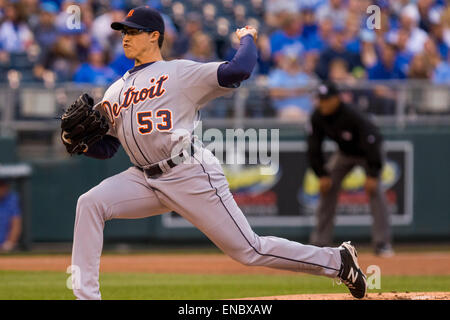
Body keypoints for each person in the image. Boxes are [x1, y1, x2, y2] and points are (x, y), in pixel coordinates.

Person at [69, 6, 367, 300]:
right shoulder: (114, 91)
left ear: (154, 36)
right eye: (122, 31)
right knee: (90, 203)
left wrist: (247, 37)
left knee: (249, 250)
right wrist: (78, 142)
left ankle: (338, 262)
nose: (125, 37)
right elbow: (108, 148)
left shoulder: (179, 72)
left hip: (187, 171)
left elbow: (239, 69)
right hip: (143, 179)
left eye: (133, 31)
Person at [307, 81, 393, 257]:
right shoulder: (317, 116)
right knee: (327, 188)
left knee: (375, 190)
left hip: (367, 154)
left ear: (337, 99)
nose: (323, 103)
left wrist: (373, 173)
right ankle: (320, 242)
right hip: (344, 154)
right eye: (320, 99)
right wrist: (321, 174)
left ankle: (382, 243)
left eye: (326, 99)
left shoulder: (352, 114)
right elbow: (313, 147)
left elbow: (373, 142)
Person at [0, 179, 22, 253]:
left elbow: (16, 223)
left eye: (3, 186)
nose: (1, 189)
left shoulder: (11, 199)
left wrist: (10, 243)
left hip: (4, 246)